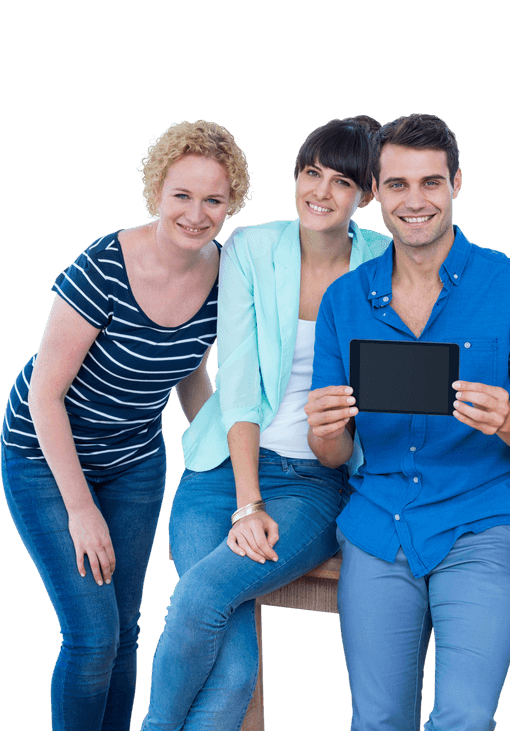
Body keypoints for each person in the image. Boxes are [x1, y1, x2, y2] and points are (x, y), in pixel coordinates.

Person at [306, 112, 510, 731]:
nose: (414, 200)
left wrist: (507, 418)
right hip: (379, 523)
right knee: (377, 721)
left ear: (457, 183)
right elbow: (335, 455)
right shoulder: (346, 300)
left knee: (464, 718)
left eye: (430, 182)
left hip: (482, 524)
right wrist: (324, 433)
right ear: (376, 193)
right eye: (397, 185)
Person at [139, 116, 390, 731]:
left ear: (370, 195)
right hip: (222, 473)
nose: (321, 192)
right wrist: (247, 503)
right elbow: (241, 380)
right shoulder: (251, 247)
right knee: (229, 672)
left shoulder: (384, 262)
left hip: (315, 484)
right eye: (311, 173)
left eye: (342, 181)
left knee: (202, 598)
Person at [1, 120, 249, 731]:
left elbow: (191, 371)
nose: (196, 214)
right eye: (182, 196)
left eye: (213, 199)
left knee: (127, 628)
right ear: (156, 191)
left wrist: (226, 455)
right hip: (45, 456)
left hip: (133, 460)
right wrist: (80, 510)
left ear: (231, 203)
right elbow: (46, 396)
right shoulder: (103, 267)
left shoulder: (222, 274)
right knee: (92, 635)